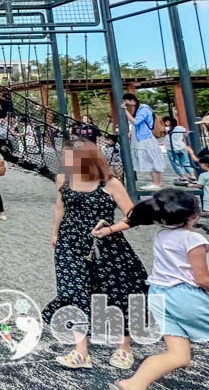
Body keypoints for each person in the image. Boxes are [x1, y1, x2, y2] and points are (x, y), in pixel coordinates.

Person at [45, 140, 148, 371]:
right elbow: (59, 207)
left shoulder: (109, 183)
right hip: (70, 244)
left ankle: (124, 347)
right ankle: (81, 351)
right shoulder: (64, 179)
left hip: (106, 245)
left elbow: (133, 215)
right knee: (73, 293)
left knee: (117, 293)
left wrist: (110, 229)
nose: (65, 161)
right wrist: (55, 233)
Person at [93, 188, 209, 390]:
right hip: (185, 296)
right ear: (194, 216)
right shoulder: (194, 240)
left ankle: (135, 383)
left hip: (158, 296)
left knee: (178, 356)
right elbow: (202, 278)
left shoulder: (161, 234)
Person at [123, 93, 164, 190]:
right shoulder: (140, 109)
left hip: (145, 138)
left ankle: (156, 183)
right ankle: (157, 182)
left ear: (133, 100)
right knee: (152, 159)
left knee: (151, 160)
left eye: (127, 101)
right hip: (144, 137)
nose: (126, 104)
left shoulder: (143, 109)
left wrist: (125, 111)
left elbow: (135, 122)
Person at [163, 117, 198, 183]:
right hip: (181, 146)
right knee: (186, 161)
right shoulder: (180, 128)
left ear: (168, 122)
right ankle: (192, 175)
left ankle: (182, 177)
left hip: (171, 148)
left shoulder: (166, 129)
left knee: (175, 163)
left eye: (166, 121)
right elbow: (186, 134)